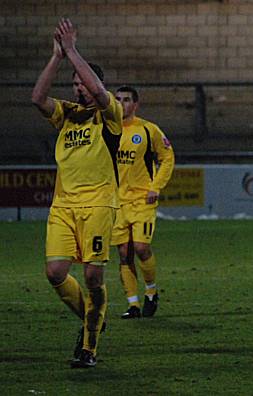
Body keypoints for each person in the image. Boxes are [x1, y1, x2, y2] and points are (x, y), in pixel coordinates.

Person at [31, 18, 123, 368]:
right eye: (74, 85)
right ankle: (92, 316)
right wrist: (57, 57)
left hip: (98, 204)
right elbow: (38, 98)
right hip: (63, 207)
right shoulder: (67, 115)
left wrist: (73, 51)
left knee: (92, 276)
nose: (78, 90)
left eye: (81, 83)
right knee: (55, 273)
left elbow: (99, 92)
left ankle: (89, 345)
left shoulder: (109, 113)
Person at [112, 86, 175, 319]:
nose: (121, 104)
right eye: (117, 99)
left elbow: (167, 157)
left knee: (141, 247)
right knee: (124, 253)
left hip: (141, 200)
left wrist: (155, 186)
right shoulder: (108, 129)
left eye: (126, 100)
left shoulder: (148, 129)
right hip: (116, 202)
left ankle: (150, 291)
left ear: (135, 105)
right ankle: (133, 304)